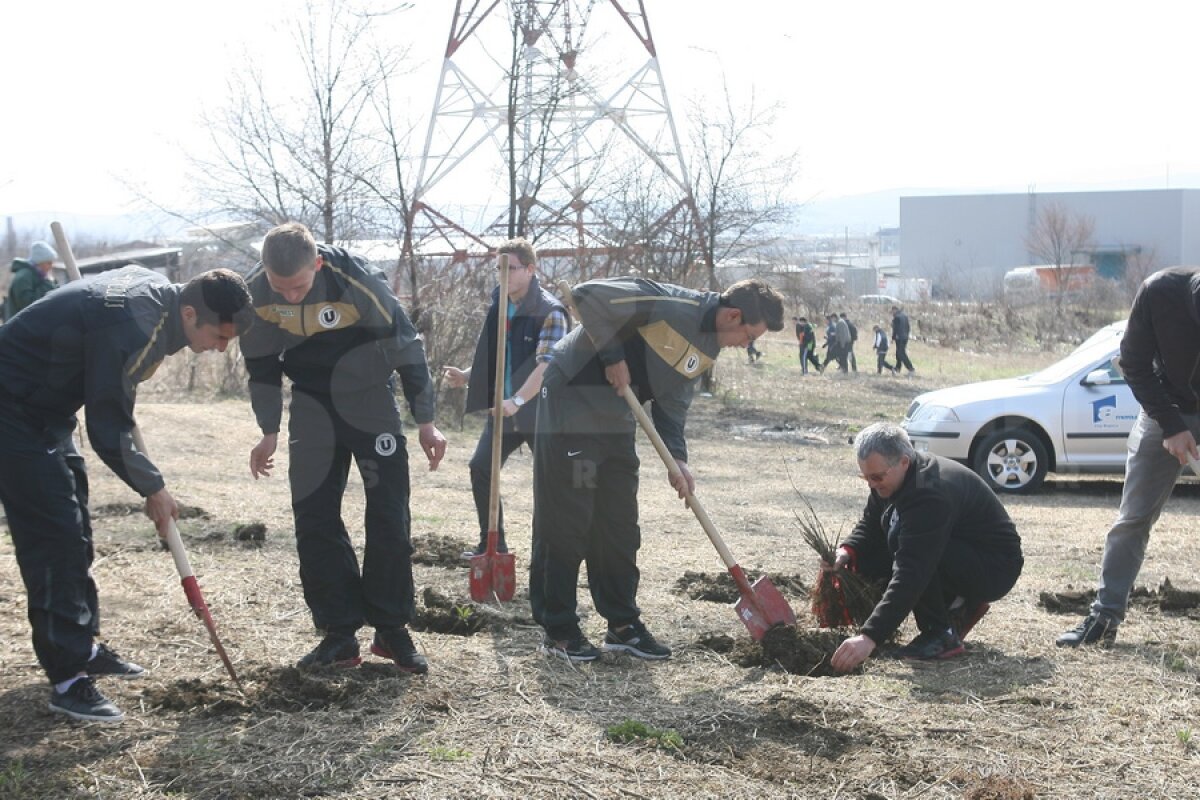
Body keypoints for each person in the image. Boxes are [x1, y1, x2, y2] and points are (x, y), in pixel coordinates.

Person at [0, 266, 253, 723]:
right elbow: (108, 424)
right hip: (11, 406)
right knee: (53, 537)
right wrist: (153, 487)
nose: (220, 349)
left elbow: (113, 387)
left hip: (47, 409)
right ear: (191, 313)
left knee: (75, 529)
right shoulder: (133, 323)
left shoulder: (156, 302)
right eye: (219, 336)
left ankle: (84, 645)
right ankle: (67, 677)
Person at [531, 277, 785, 662]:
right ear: (733, 315)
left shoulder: (709, 346)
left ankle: (622, 625)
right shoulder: (671, 304)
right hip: (574, 403)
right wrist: (613, 357)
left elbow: (674, 399)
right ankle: (559, 629)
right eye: (749, 335)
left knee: (618, 524)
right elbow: (587, 294)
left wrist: (677, 458)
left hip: (616, 416)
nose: (747, 345)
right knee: (570, 519)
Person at [241, 222, 446, 674]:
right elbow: (259, 364)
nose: (290, 298)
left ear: (317, 264)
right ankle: (339, 635)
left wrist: (426, 421)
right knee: (314, 516)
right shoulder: (258, 292)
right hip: (312, 407)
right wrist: (269, 430)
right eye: (281, 288)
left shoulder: (356, 280)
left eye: (298, 286)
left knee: (389, 514)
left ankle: (391, 630)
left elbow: (405, 343)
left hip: (369, 401)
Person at [1057, 267, 1200, 647]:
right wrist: (1171, 425)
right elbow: (1133, 364)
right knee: (1133, 518)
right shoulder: (1160, 293)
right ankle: (1103, 618)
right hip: (1163, 408)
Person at [829, 423, 1023, 673]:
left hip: (993, 567)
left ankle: (940, 633)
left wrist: (869, 637)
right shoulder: (890, 480)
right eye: (865, 477)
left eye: (876, 477)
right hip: (958, 551)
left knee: (903, 539)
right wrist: (847, 551)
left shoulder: (930, 494)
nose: (871, 485)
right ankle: (957, 606)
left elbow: (912, 571)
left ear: (904, 462)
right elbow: (871, 523)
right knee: (876, 548)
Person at [443, 238, 567, 558]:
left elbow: (547, 366)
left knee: (550, 484)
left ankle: (551, 553)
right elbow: (501, 353)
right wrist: (468, 376)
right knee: (481, 467)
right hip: (505, 407)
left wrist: (519, 401)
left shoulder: (551, 311)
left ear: (530, 269)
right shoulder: (501, 301)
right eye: (497, 268)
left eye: (508, 268)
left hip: (541, 410)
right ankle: (492, 545)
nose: (502, 274)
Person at [4, 240, 59, 319]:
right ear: (40, 262)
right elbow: (27, 304)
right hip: (20, 326)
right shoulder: (23, 277)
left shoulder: (39, 275)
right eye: (49, 263)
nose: (51, 266)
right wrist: (47, 282)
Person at [891, 305, 915, 373]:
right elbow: (908, 327)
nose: (892, 313)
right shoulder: (904, 316)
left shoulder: (896, 317)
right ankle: (897, 368)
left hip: (899, 337)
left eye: (892, 311)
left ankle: (911, 368)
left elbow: (895, 329)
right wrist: (907, 335)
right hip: (905, 337)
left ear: (894, 310)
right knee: (898, 353)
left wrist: (893, 337)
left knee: (901, 353)